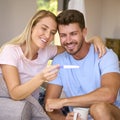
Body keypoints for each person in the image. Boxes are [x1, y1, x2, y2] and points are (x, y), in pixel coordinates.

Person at [0, 10, 105, 118]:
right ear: (32, 26)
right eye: (44, 28)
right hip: (14, 103)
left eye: (52, 32)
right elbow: (15, 94)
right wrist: (41, 77)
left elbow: (72, 45)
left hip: (34, 103)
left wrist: (94, 39)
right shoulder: (11, 51)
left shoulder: (46, 50)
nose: (47, 36)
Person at [45, 9, 120, 120]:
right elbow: (50, 104)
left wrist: (64, 101)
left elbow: (109, 95)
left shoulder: (105, 55)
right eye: (63, 35)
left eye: (73, 34)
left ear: (84, 32)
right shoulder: (59, 61)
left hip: (111, 114)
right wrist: (64, 119)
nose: (68, 40)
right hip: (78, 117)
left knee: (98, 108)